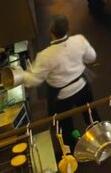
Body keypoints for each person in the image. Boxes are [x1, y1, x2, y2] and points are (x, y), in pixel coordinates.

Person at [21, 15, 99, 145]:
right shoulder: (79, 40)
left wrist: (21, 75)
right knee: (91, 114)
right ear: (69, 28)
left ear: (50, 32)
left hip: (61, 97)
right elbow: (92, 58)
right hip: (82, 87)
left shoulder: (44, 56)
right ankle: (98, 140)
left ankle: (73, 149)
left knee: (65, 124)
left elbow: (33, 81)